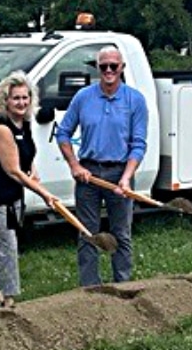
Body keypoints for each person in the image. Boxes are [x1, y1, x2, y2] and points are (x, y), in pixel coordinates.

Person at [54, 46, 148, 286]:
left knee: (121, 234)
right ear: (97, 68)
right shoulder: (83, 97)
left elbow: (138, 144)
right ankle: (89, 290)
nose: (108, 70)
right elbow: (63, 133)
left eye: (113, 66)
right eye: (103, 66)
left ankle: (123, 286)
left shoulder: (135, 100)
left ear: (122, 68)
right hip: (88, 174)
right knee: (88, 234)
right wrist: (75, 165)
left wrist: (126, 178)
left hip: (120, 174)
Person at [0, 71, 57, 308]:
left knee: (1, 244)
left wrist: (32, 168)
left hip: (13, 195)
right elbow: (13, 170)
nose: (22, 103)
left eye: (25, 98)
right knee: (8, 244)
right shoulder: (1, 128)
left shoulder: (25, 123)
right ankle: (10, 299)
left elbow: (24, 153)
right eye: (16, 99)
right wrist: (44, 193)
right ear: (5, 101)